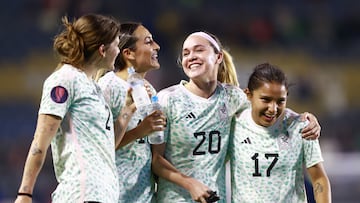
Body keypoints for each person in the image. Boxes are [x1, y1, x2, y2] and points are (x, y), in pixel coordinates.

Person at [151, 31, 321, 203]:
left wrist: (304, 118)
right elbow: (156, 160)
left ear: (218, 57)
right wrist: (189, 184)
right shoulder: (167, 100)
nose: (191, 56)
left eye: (198, 50)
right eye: (186, 53)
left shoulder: (232, 97)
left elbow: (269, 108)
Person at [15, 14, 134, 203]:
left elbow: (106, 148)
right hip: (82, 193)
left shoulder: (94, 88)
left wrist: (127, 111)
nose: (119, 52)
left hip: (105, 195)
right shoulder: (64, 80)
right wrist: (25, 193)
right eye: (116, 45)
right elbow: (40, 140)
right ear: (102, 49)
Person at [229, 63, 331, 202]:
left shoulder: (301, 126)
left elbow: (319, 178)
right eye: (266, 99)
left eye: (280, 101)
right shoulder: (233, 125)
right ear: (248, 95)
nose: (273, 108)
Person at [96, 22, 166, 203]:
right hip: (114, 195)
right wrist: (140, 131)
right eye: (148, 42)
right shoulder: (108, 87)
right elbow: (98, 148)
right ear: (128, 53)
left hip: (144, 196)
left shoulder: (149, 89)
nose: (156, 46)